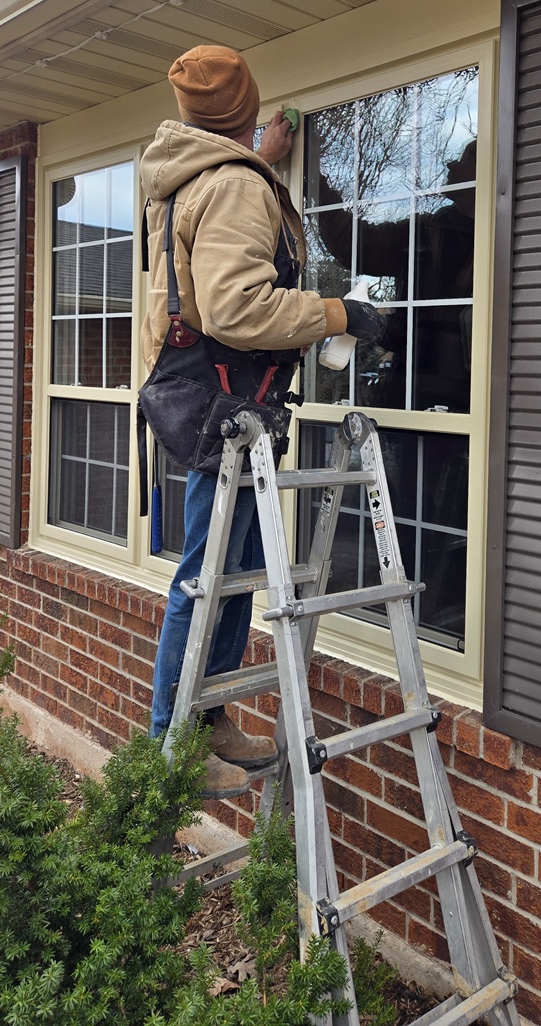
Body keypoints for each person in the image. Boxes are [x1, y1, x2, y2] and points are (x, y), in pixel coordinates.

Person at [141, 44, 385, 798]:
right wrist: (340, 312)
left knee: (234, 571)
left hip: (216, 400)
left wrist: (261, 158)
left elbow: (216, 255)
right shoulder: (236, 189)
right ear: (245, 109)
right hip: (225, 405)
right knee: (204, 577)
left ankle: (207, 717)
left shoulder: (194, 175)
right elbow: (235, 306)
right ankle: (169, 743)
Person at [315, 140, 476, 412]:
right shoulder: (423, 232)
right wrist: (319, 190)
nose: (451, 164)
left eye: (465, 158)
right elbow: (354, 245)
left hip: (470, 397)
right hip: (410, 389)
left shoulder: (500, 236)